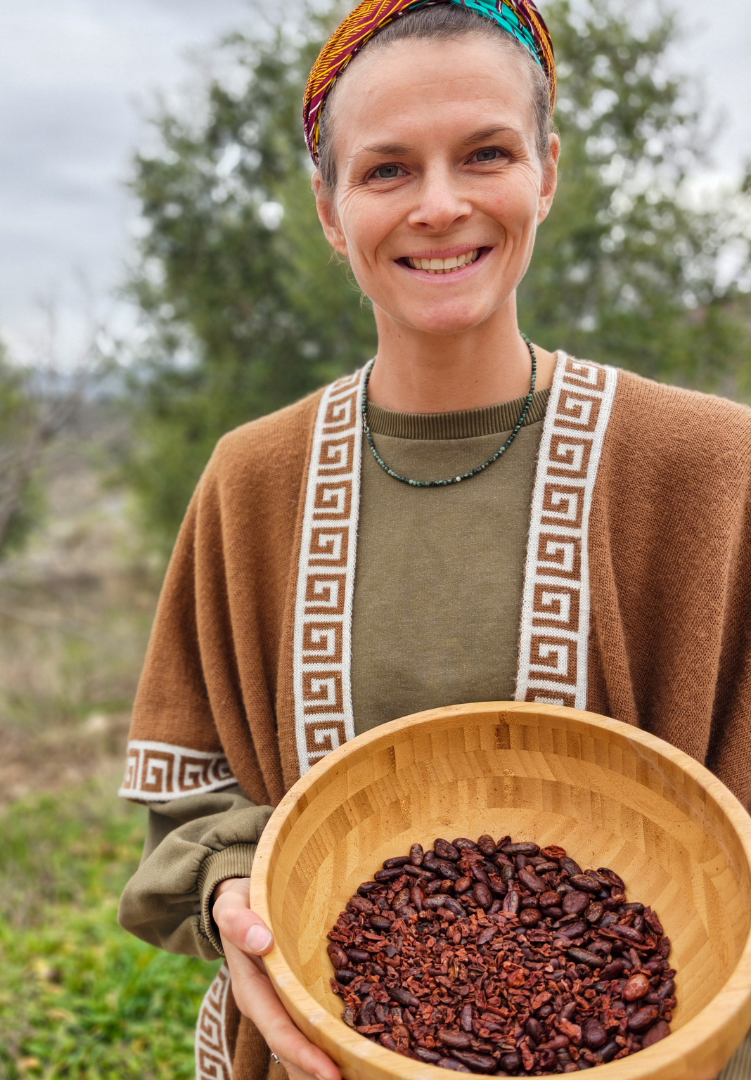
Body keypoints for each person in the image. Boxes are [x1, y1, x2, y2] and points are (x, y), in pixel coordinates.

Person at [117, 2, 751, 1079]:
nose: (441, 205)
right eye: (387, 170)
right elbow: (193, 799)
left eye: (487, 154)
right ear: (330, 209)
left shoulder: (707, 469)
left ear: (547, 173)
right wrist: (234, 889)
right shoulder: (253, 482)